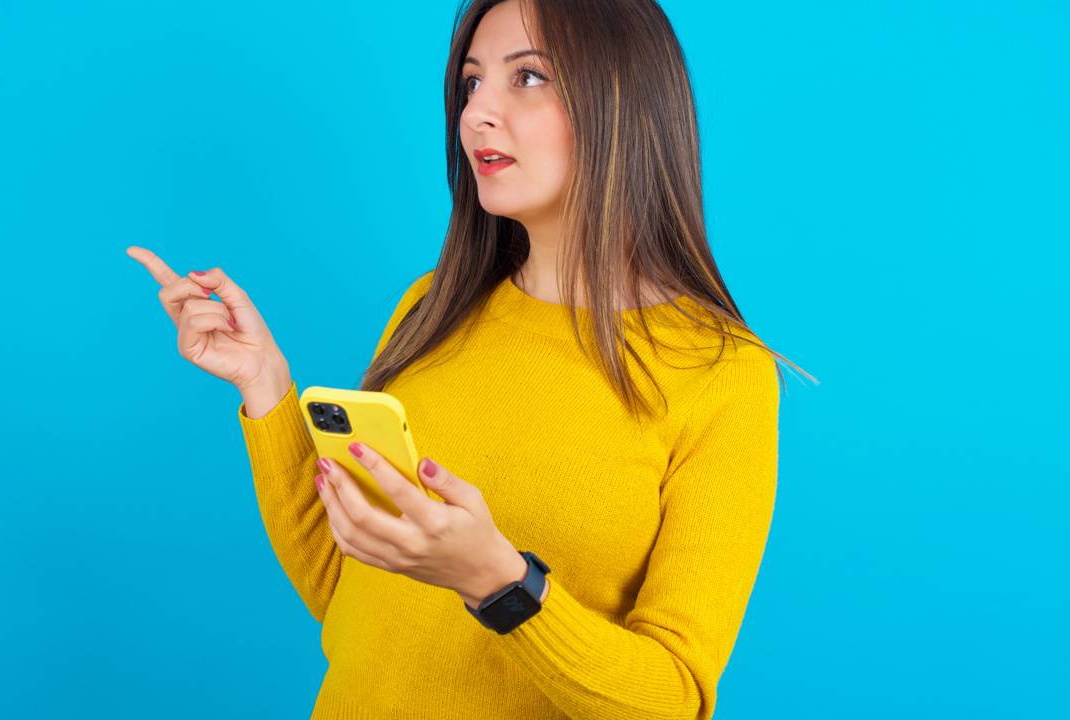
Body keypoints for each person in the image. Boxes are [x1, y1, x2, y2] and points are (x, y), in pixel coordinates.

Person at [129, 0, 814, 717]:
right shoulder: (431, 306)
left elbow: (673, 698)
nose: (476, 114)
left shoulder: (720, 375)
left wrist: (500, 582)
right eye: (470, 83)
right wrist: (264, 383)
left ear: (622, 101)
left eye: (528, 78)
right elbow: (348, 593)